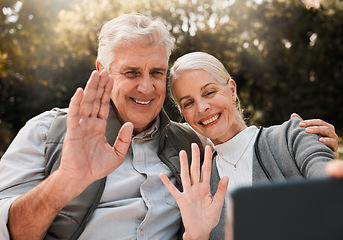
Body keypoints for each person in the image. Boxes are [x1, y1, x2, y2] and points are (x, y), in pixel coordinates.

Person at [0, 14, 338, 240]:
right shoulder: (47, 131)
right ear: (103, 70)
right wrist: (67, 179)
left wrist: (309, 146)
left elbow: (245, 148)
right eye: (131, 73)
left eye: (157, 73)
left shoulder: (190, 145)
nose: (146, 88)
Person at [160, 51, 338, 239]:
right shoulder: (197, 185)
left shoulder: (291, 136)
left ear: (232, 90)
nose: (202, 107)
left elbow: (326, 179)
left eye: (210, 92)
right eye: (188, 103)